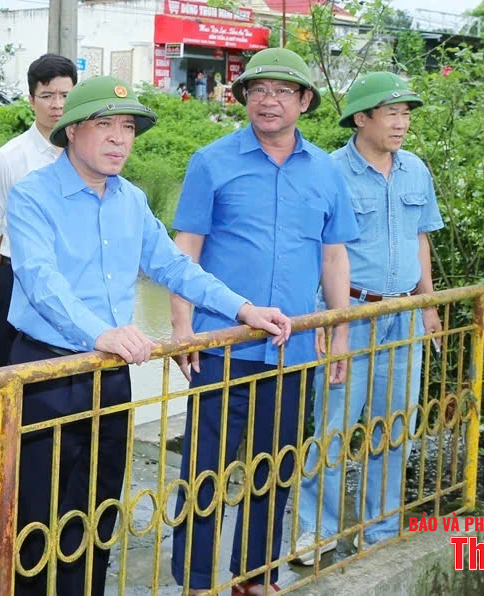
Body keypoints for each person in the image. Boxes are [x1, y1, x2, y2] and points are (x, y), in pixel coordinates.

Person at [6, 75, 292, 596]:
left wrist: (243, 308)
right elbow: (40, 281)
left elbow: (175, 268)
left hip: (110, 373)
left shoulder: (131, 200)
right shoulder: (32, 195)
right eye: (104, 126)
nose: (119, 139)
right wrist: (101, 332)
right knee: (37, 515)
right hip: (47, 372)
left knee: (97, 508)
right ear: (71, 131)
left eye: (128, 128)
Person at [168, 48, 359, 595]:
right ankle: (197, 580)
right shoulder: (211, 161)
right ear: (244, 99)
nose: (268, 100)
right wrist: (182, 328)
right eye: (257, 90)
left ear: (304, 101)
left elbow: (333, 257)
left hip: (292, 352)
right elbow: (187, 249)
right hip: (221, 346)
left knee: (272, 472)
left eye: (282, 91)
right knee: (203, 472)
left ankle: (253, 577)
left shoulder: (325, 171)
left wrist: (339, 330)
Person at [293, 71, 444, 564]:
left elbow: (421, 237)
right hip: (350, 316)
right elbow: (317, 248)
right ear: (362, 118)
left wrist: (429, 306)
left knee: (393, 427)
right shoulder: (329, 171)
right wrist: (326, 319)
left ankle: (381, 530)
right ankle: (315, 534)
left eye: (406, 114)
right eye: (391, 113)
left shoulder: (415, 170)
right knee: (334, 427)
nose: (401, 123)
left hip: (404, 315)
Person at [0, 53, 77, 462]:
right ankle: (0, 466)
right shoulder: (8, 159)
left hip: (73, 279)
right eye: (47, 95)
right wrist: (20, 269)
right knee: (8, 372)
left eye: (65, 95)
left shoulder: (85, 153)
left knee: (68, 370)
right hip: (18, 278)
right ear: (31, 99)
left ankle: (62, 463)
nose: (57, 105)